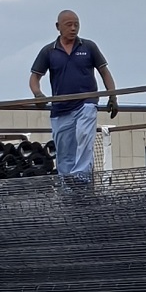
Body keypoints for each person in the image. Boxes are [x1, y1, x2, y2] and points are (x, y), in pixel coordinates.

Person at [27, 10, 118, 186]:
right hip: (61, 108)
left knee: (84, 135)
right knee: (64, 150)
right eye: (69, 25)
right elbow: (34, 77)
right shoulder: (49, 51)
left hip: (86, 102)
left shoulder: (89, 47)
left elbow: (104, 72)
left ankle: (81, 178)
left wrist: (112, 96)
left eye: (76, 24)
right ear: (58, 27)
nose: (73, 28)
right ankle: (67, 186)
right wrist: (38, 94)